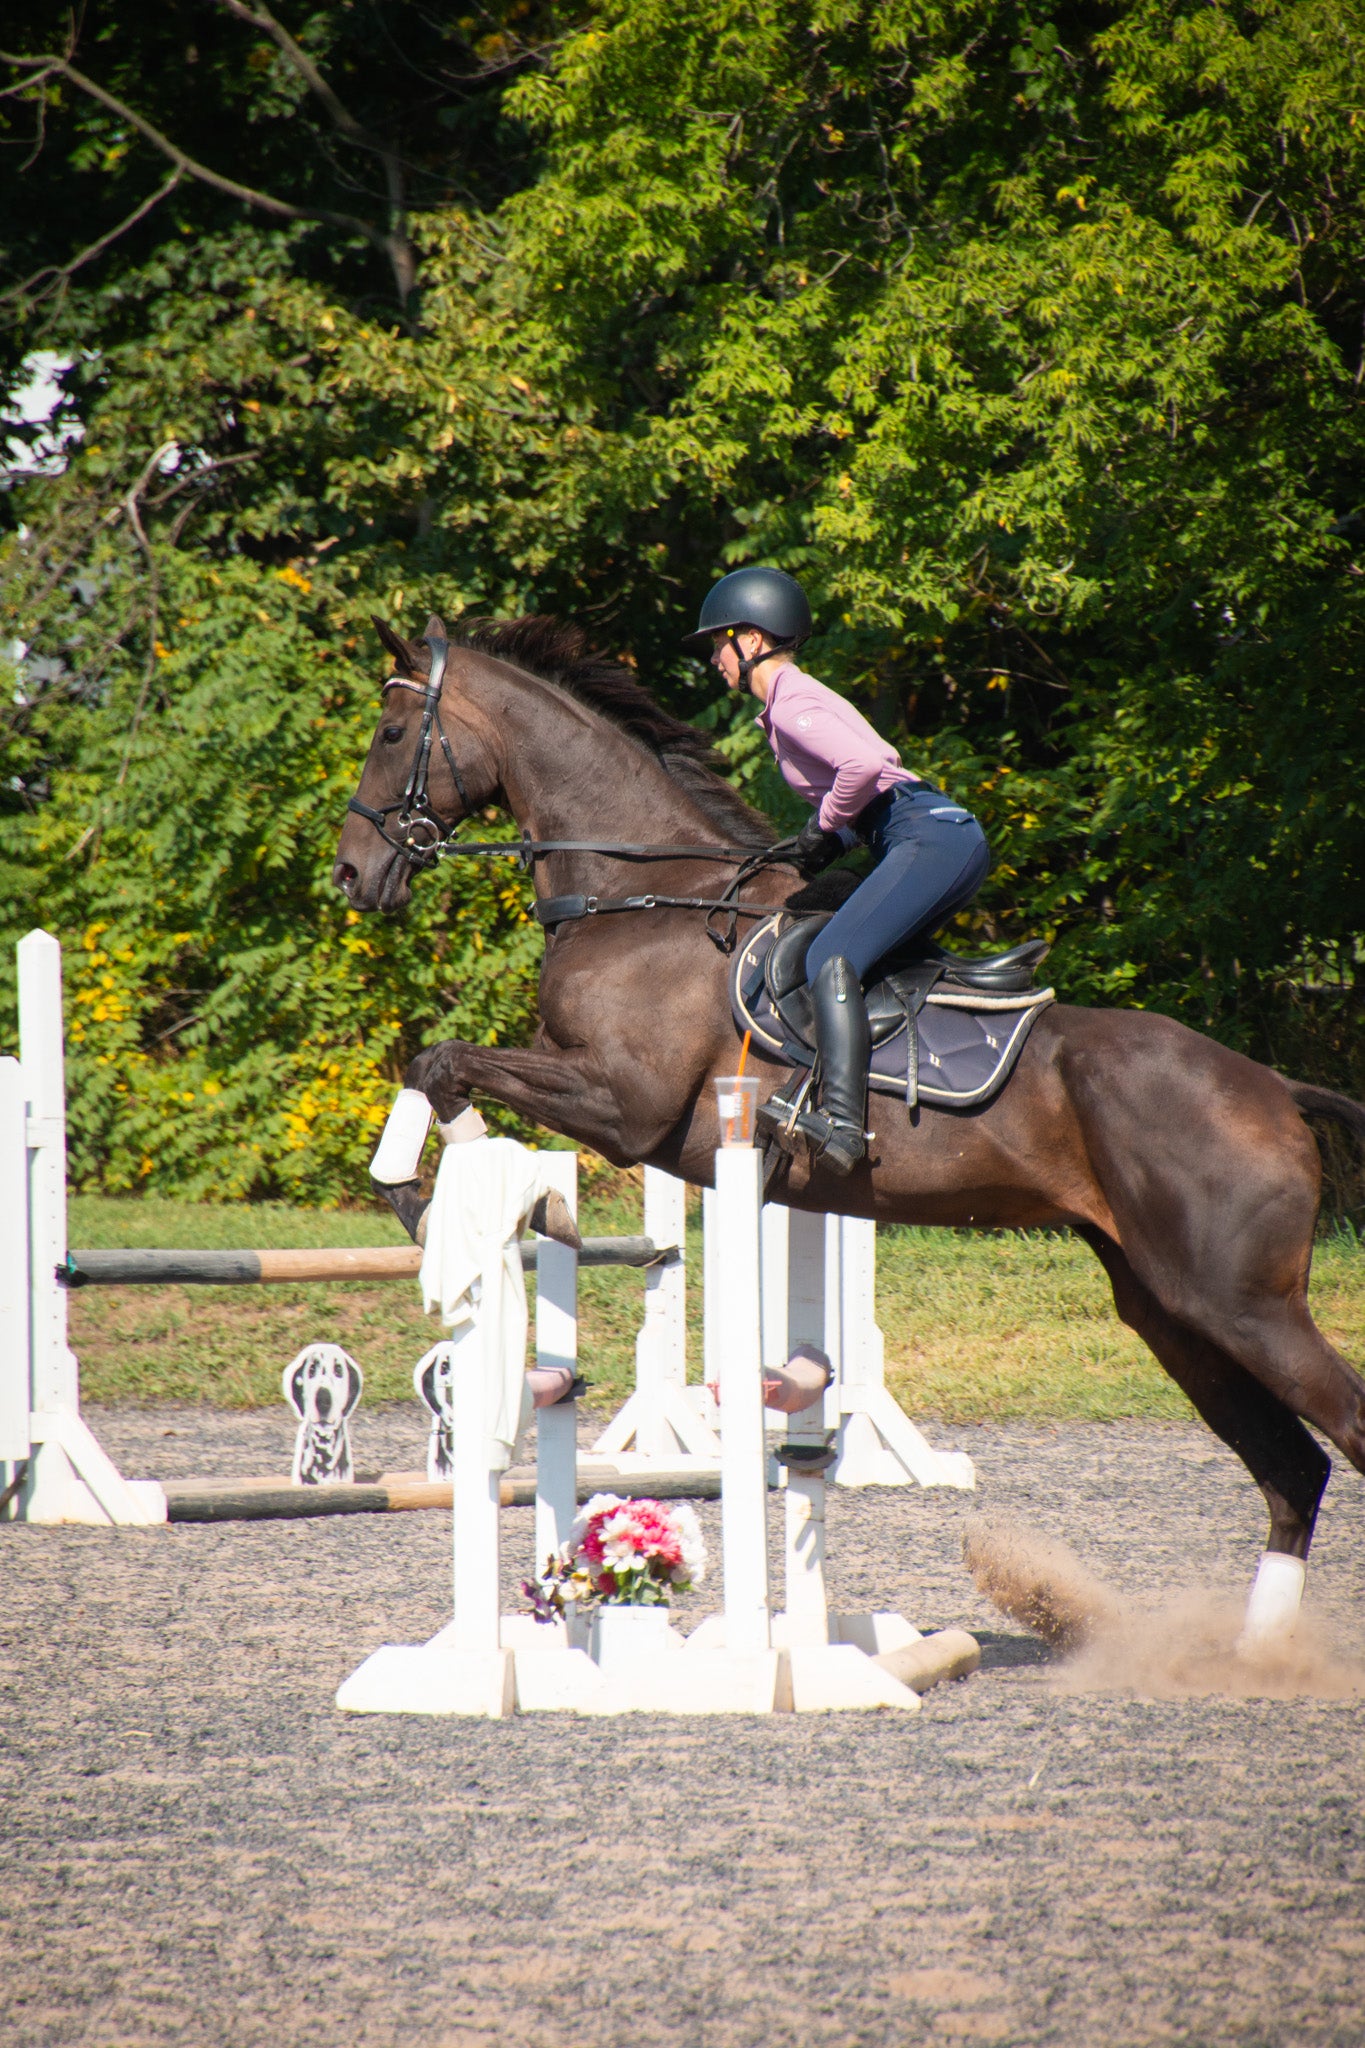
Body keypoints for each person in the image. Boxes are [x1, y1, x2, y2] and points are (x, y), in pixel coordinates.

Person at [683, 566, 990, 1175]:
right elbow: (883, 770)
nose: (714, 658)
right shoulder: (793, 699)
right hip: (929, 833)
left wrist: (824, 825)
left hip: (924, 837)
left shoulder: (792, 699)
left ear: (751, 640)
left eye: (717, 643)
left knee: (831, 959)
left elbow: (868, 764)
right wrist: (837, 838)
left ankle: (846, 1125)